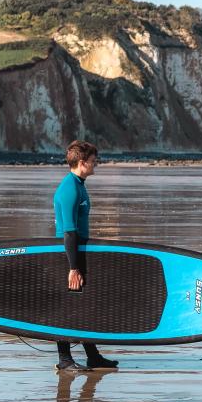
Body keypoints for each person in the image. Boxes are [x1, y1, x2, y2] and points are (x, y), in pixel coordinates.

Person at [53, 140, 118, 372]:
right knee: (67, 306)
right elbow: (69, 231)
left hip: (79, 251)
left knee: (84, 305)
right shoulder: (69, 188)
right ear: (82, 163)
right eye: (92, 162)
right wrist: (73, 267)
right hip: (69, 254)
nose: (95, 165)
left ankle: (93, 356)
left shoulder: (79, 184)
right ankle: (64, 360)